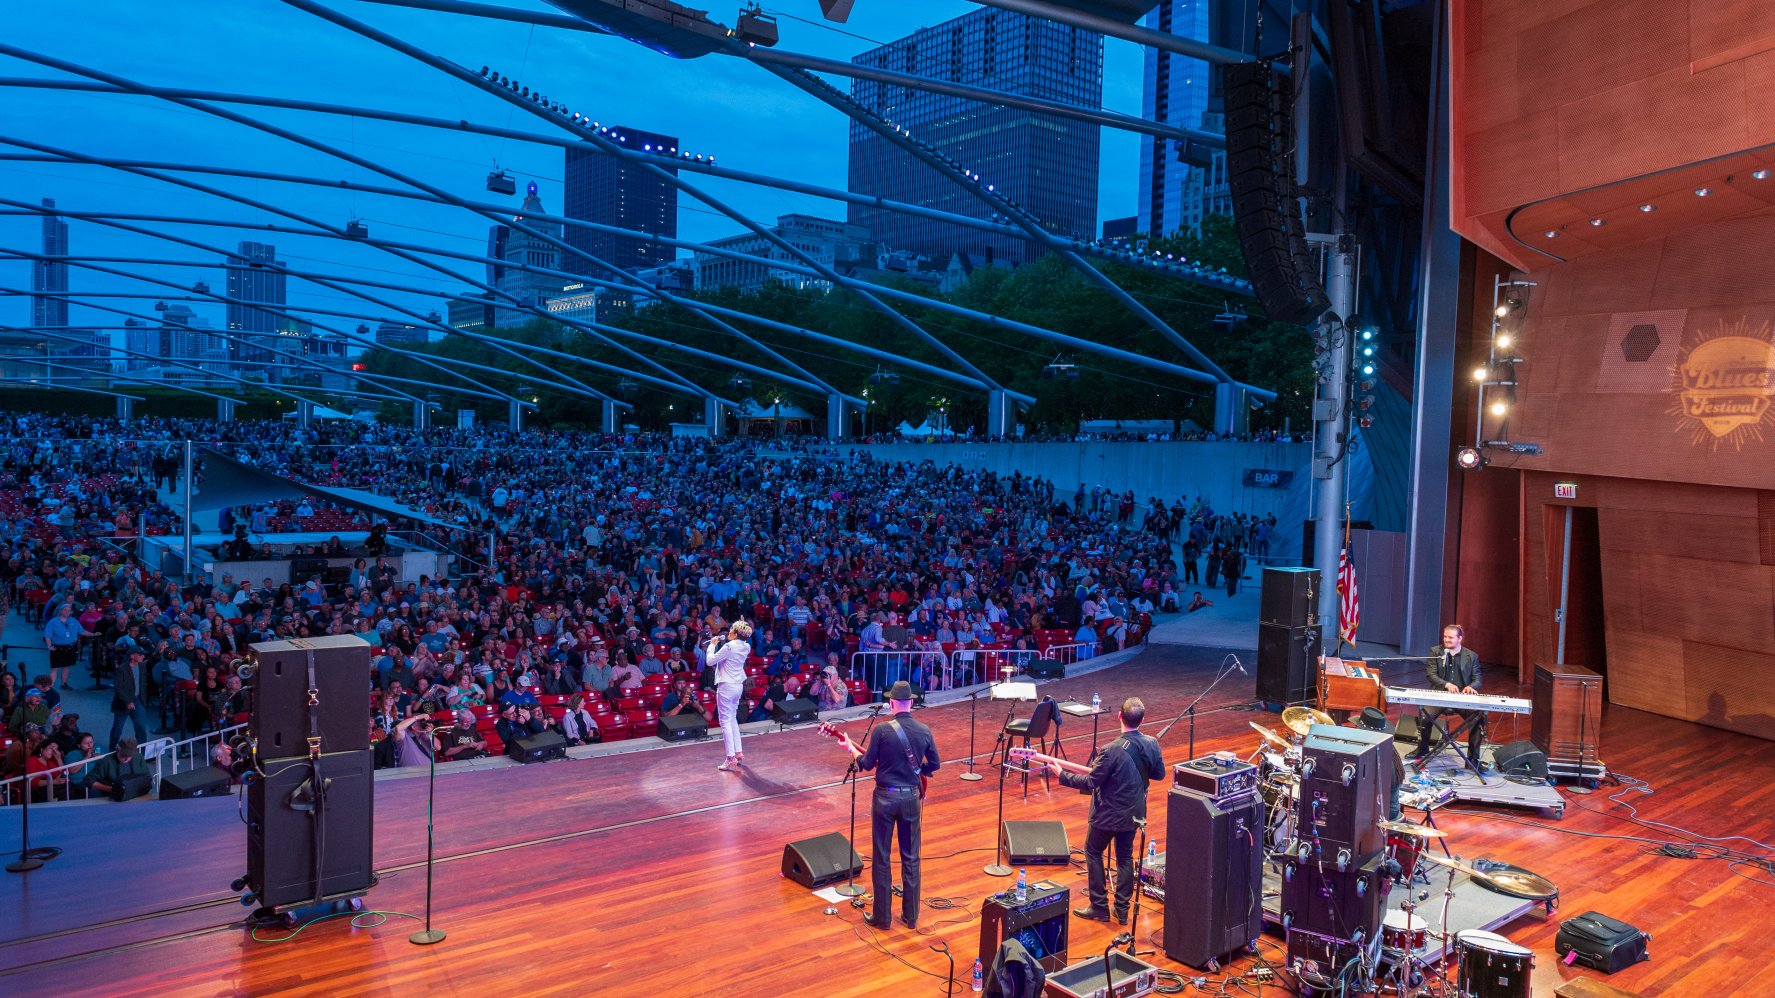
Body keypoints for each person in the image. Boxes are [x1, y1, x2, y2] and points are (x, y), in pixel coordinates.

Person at [1044, 696, 1165, 924]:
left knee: (1093, 851)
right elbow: (1159, 774)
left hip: (1107, 815)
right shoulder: (1151, 743)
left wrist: (1061, 775)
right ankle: (1122, 911)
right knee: (1125, 857)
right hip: (1135, 814)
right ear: (1141, 719)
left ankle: (1099, 907)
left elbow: (1091, 782)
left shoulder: (1110, 750)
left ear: (1119, 716)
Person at [838, 681, 940, 931]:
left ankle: (882, 918)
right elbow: (935, 764)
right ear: (912, 703)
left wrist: (851, 749)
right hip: (910, 799)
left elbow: (867, 763)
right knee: (911, 857)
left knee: (882, 858)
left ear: (891, 703)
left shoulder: (882, 730)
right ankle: (911, 916)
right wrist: (918, 770)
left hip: (884, 798)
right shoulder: (924, 730)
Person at [1413, 624, 1486, 769]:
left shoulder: (1471, 656)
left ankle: (1472, 760)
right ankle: (1422, 750)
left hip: (1462, 698)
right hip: (1440, 695)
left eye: (1451, 637)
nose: (1447, 640)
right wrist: (1447, 685)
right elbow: (1431, 675)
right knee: (1425, 716)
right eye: (1445, 636)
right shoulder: (1435, 652)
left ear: (1460, 638)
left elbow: (1478, 679)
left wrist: (1470, 687)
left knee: (1478, 718)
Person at [709, 620, 753, 772]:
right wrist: (742, 623)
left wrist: (712, 644)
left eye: (730, 630)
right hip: (737, 686)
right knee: (732, 718)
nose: (728, 633)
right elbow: (742, 638)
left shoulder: (728, 646)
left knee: (725, 721)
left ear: (735, 633)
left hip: (727, 686)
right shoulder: (746, 646)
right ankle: (738, 752)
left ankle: (730, 757)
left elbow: (709, 661)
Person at [109, 648, 151, 750]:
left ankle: (143, 752)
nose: (143, 657)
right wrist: (127, 701)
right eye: (140, 655)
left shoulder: (142, 666)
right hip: (123, 702)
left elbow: (142, 682)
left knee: (140, 727)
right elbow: (119, 687)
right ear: (132, 656)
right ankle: (111, 750)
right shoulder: (122, 669)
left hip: (138, 700)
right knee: (117, 728)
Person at [44, 602, 83, 690]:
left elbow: (82, 631)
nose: (67, 612)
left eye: (69, 611)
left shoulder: (73, 620)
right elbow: (47, 635)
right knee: (54, 668)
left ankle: (64, 684)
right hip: (57, 648)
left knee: (66, 666)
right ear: (60, 611)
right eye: (65, 610)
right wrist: (49, 646)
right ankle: (50, 687)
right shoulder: (53, 622)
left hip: (70, 647)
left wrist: (93, 634)